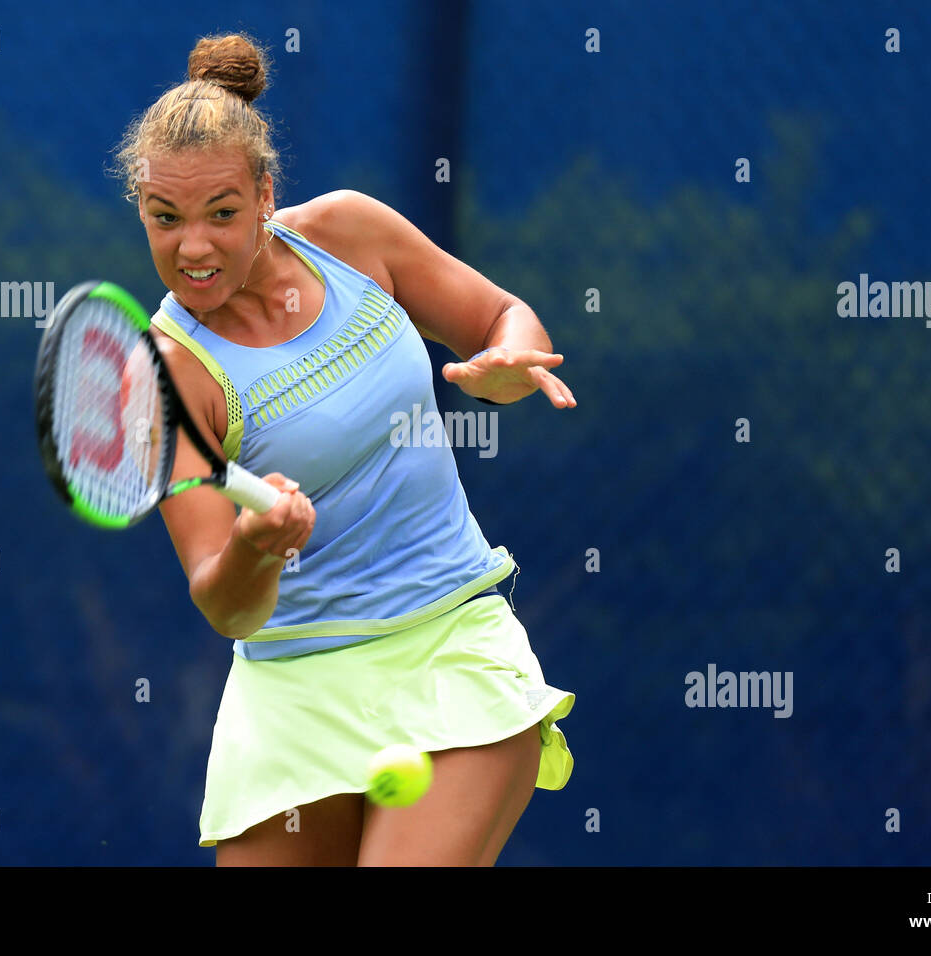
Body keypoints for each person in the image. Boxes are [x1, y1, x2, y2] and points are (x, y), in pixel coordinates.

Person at [113, 32, 577, 866]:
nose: (193, 247)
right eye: (165, 218)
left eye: (222, 212)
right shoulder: (170, 378)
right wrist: (257, 546)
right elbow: (224, 604)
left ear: (265, 192)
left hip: (447, 645)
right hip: (290, 689)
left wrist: (510, 363)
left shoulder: (352, 235)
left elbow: (503, 318)